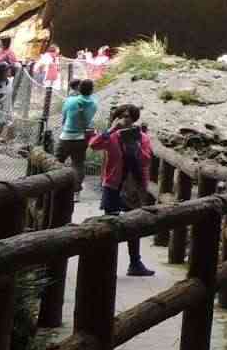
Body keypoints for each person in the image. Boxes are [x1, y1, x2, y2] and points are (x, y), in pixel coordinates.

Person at [89, 105, 155, 276]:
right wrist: (111, 129)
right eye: (122, 116)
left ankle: (135, 263)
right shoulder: (112, 136)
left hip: (134, 187)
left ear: (134, 119)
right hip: (113, 184)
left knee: (135, 225)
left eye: (129, 116)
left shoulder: (142, 138)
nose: (125, 119)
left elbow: (146, 160)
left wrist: (134, 144)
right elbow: (94, 145)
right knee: (109, 225)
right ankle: (106, 266)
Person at [57, 79, 98, 199]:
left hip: (66, 137)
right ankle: (76, 193)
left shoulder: (70, 101)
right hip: (81, 138)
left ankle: (56, 187)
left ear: (79, 89)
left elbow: (64, 116)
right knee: (78, 165)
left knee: (57, 162)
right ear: (92, 90)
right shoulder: (94, 104)